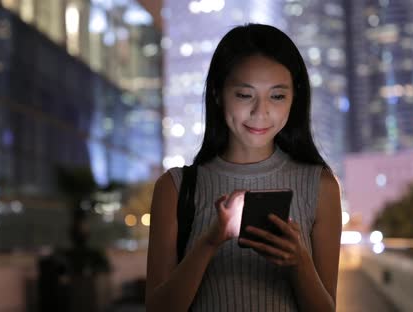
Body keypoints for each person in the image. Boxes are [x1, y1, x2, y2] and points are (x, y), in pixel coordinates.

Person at [146, 24, 342, 312]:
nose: (260, 112)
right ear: (217, 93)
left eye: (277, 96)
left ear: (294, 99)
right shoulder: (175, 188)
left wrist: (299, 262)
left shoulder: (320, 185)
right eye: (244, 95)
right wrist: (210, 241)